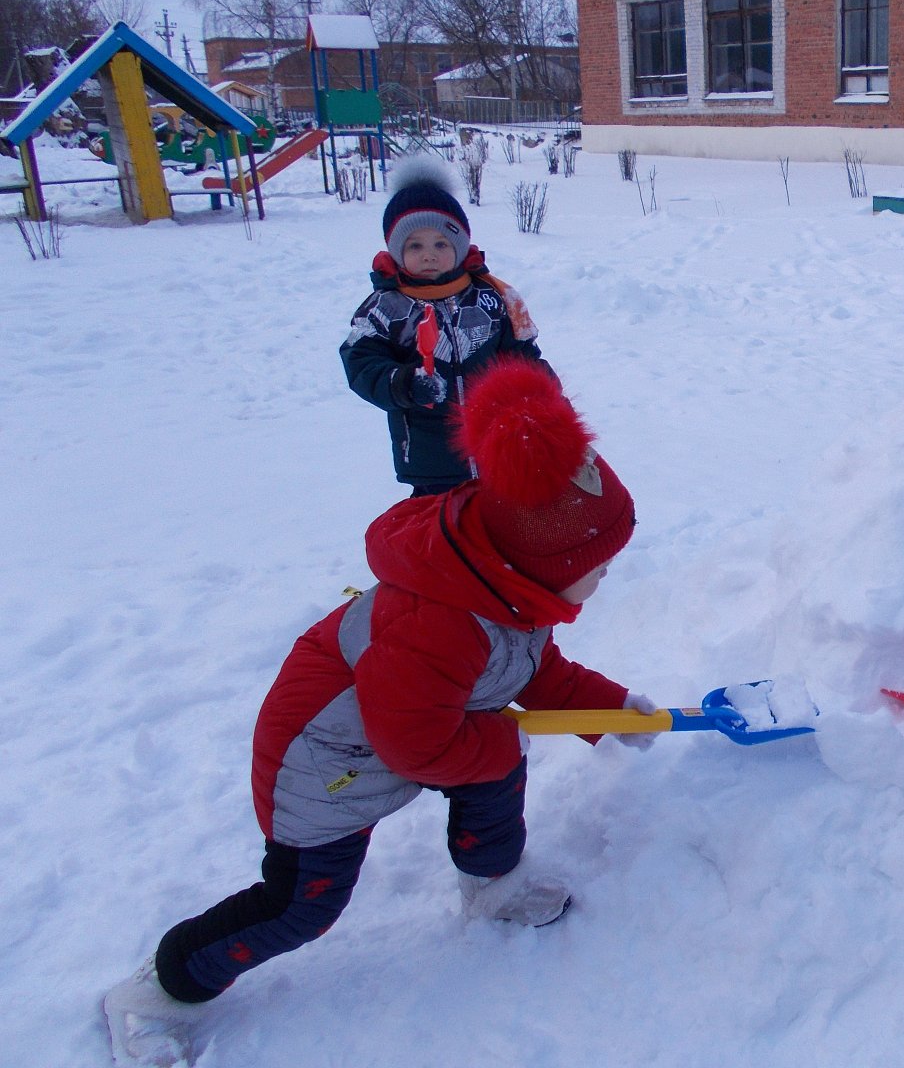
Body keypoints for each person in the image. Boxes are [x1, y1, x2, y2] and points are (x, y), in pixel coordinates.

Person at [104, 358, 654, 1068]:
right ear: (544, 561)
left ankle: (494, 887)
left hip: (405, 728)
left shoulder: (505, 585)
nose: (607, 575)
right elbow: (416, 744)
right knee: (302, 906)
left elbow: (531, 670)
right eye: (599, 565)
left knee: (493, 764)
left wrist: (611, 709)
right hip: (322, 764)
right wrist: (498, 739)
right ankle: (160, 991)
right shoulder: (443, 621)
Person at [342, 155, 553, 496]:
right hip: (431, 460)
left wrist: (546, 396)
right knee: (444, 526)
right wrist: (405, 384)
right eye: (415, 245)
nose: (429, 254)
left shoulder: (489, 298)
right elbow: (362, 364)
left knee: (501, 520)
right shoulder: (385, 308)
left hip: (499, 446)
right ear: (396, 251)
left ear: (459, 246)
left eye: (441, 243)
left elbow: (521, 357)